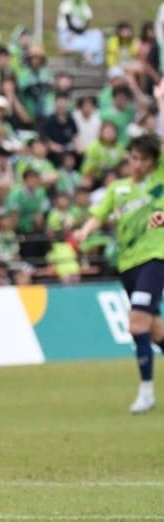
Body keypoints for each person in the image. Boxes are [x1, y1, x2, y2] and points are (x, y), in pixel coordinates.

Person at [73, 134, 164, 415]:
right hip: (127, 264)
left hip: (154, 257)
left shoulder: (159, 179)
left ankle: (146, 392)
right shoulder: (118, 189)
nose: (137, 164)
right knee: (155, 331)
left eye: (143, 159)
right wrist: (85, 230)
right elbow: (98, 214)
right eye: (134, 158)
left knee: (136, 325)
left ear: (153, 161)